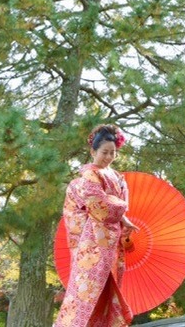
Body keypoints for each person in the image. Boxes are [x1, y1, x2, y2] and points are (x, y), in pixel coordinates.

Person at [54, 124, 138, 327]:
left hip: (111, 242)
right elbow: (100, 208)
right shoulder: (89, 177)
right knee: (86, 293)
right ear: (93, 152)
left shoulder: (117, 177)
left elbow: (113, 208)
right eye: (104, 152)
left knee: (106, 292)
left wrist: (123, 218)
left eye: (113, 152)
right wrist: (121, 208)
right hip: (92, 244)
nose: (109, 157)